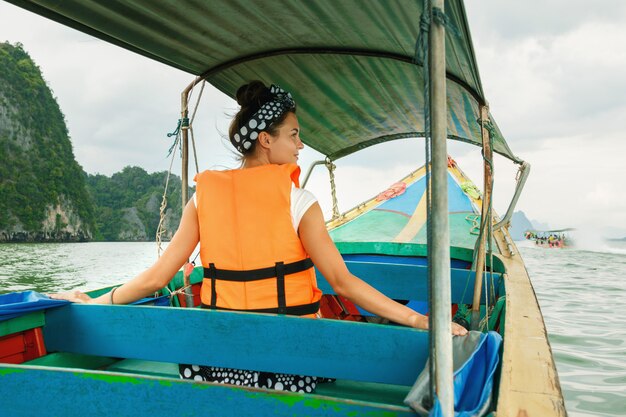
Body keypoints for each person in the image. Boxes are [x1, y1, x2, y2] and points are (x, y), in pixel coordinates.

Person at [51, 81, 467, 392]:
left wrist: (98, 302)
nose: (301, 145)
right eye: (294, 135)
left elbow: (158, 277)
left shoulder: (203, 197)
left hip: (215, 362)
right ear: (266, 140)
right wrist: (421, 320)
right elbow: (342, 283)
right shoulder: (300, 201)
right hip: (288, 361)